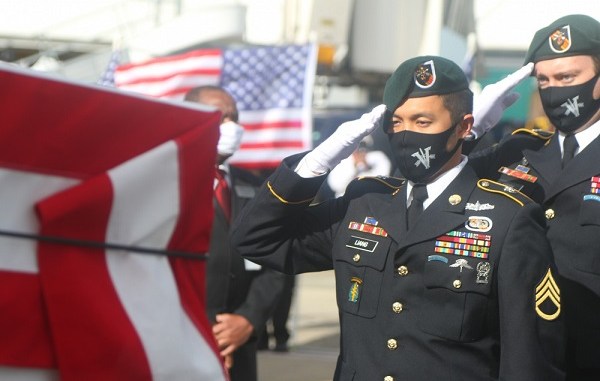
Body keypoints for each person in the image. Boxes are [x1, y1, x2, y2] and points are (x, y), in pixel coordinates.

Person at [231, 56, 565, 380]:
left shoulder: (509, 217)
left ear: (464, 126)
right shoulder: (365, 203)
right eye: (396, 123)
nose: (406, 135)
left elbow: (528, 360)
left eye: (422, 122)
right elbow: (255, 239)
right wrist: (316, 163)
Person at [469, 14, 600, 380]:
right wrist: (470, 130)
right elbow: (434, 191)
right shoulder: (519, 150)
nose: (555, 90)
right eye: (544, 80)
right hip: (509, 355)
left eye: (567, 78)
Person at [184, 85, 285, 381]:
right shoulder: (169, 181)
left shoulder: (254, 187)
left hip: (239, 345)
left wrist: (248, 319)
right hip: (182, 340)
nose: (232, 126)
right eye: (221, 117)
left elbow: (274, 263)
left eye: (235, 117)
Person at [327, 135, 392, 197]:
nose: (359, 149)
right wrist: (353, 166)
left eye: (362, 145)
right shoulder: (340, 162)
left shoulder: (377, 157)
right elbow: (335, 186)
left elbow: (385, 179)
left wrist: (367, 165)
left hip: (372, 202)